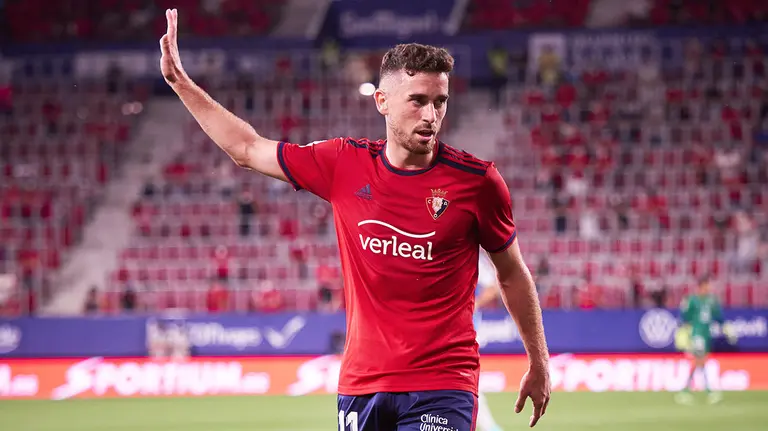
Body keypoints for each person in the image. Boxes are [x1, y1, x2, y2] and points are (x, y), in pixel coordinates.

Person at [160, 9, 550, 429]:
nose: (430, 116)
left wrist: (539, 360)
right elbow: (247, 148)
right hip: (361, 385)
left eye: (440, 102)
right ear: (382, 101)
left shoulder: (478, 182)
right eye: (417, 101)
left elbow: (512, 273)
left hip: (442, 384)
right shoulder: (343, 162)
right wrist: (182, 85)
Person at [674, 276, 734, 405]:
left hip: (707, 334)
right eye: (707, 285)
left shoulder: (712, 300)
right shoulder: (692, 300)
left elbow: (718, 316)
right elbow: (684, 317)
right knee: (700, 360)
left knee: (701, 361)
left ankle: (686, 390)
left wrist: (725, 327)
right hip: (697, 333)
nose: (709, 288)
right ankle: (708, 391)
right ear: (701, 286)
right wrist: (684, 331)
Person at [474, 250, 505, 431]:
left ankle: (488, 426)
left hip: (463, 329)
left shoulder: (474, 255)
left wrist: (473, 304)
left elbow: (493, 287)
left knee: (467, 378)